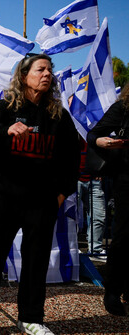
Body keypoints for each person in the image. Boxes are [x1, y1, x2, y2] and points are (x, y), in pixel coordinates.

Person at [0, 54, 80, 335]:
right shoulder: (5, 108)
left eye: (49, 70)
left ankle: (31, 318)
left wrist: (63, 193)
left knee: (36, 261)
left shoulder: (58, 115)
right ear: (24, 75)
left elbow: (72, 156)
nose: (47, 74)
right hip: (6, 197)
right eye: (40, 69)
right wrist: (5, 130)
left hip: (43, 201)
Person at [87, 84, 129, 317]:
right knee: (123, 236)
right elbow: (94, 133)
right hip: (126, 179)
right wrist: (100, 141)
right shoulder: (123, 107)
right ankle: (113, 291)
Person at [77, 138, 107, 256]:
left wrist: (101, 170)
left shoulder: (97, 126)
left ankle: (95, 249)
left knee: (99, 216)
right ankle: (72, 247)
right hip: (75, 178)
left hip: (94, 178)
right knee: (72, 217)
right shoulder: (74, 125)